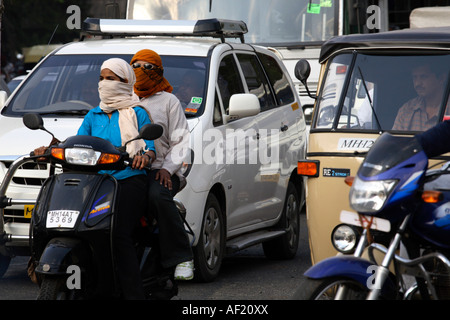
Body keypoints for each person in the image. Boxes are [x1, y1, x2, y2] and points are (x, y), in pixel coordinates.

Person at [35, 58, 156, 299]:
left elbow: (150, 147)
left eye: (111, 79)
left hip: (127, 179)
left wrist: (145, 156)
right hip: (94, 183)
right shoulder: (93, 115)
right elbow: (79, 144)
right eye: (101, 78)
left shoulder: (138, 113)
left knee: (117, 232)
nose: (104, 83)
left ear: (125, 82)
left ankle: (133, 295)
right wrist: (51, 149)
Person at [130, 49, 194, 280]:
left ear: (158, 72)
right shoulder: (124, 98)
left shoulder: (169, 101)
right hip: (127, 169)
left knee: (157, 196)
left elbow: (181, 140)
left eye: (147, 67)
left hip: (161, 170)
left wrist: (168, 168)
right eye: (135, 65)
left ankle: (182, 257)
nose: (140, 71)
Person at [392, 63, 446, 131]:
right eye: (414, 77)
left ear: (441, 79)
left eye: (423, 77)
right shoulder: (406, 110)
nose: (417, 83)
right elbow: (395, 140)